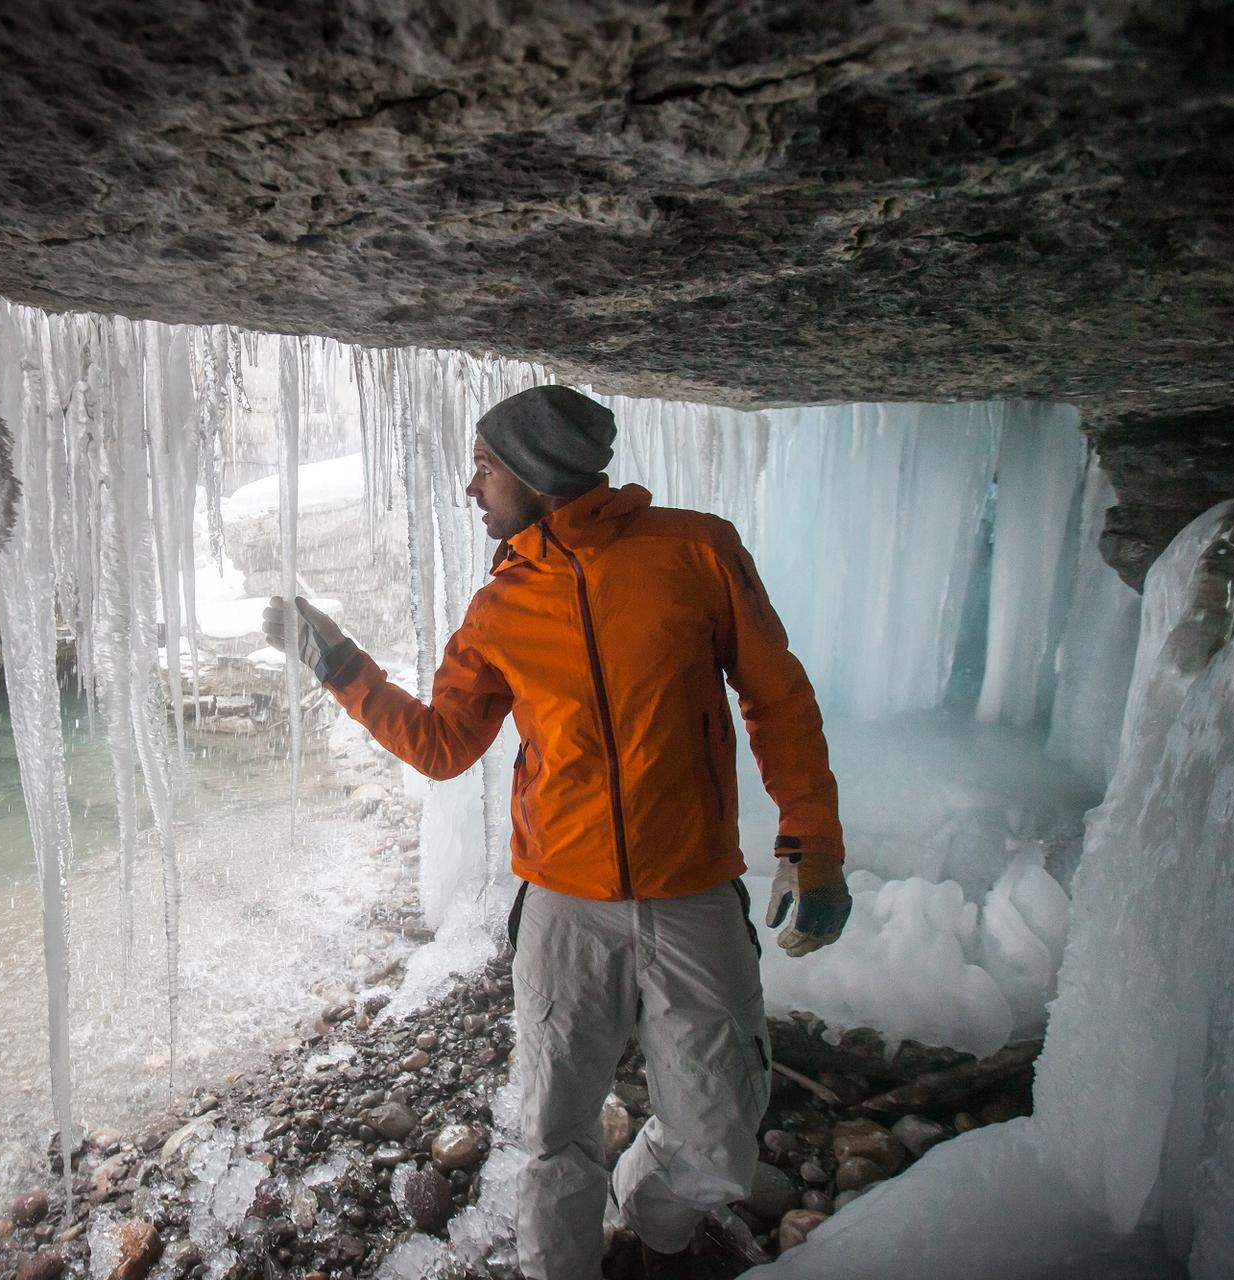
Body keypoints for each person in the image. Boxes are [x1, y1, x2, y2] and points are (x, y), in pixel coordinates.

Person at [264, 386, 851, 1279]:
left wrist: (811, 843)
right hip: (563, 910)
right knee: (548, 1136)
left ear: (537, 472)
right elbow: (444, 745)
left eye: (485, 466)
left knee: (721, 1142)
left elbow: (777, 698)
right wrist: (339, 665)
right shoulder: (500, 607)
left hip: (693, 891)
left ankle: (652, 1228)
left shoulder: (696, 550)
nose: (472, 488)